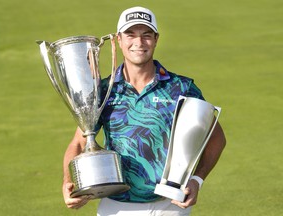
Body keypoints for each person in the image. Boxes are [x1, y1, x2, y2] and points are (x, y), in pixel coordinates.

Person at [62, 6, 226, 216]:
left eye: (146, 35)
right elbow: (79, 142)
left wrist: (197, 179)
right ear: (119, 40)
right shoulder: (102, 91)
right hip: (116, 206)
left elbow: (216, 137)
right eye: (130, 35)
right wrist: (69, 182)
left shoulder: (181, 87)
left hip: (170, 205)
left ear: (156, 39)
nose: (138, 43)